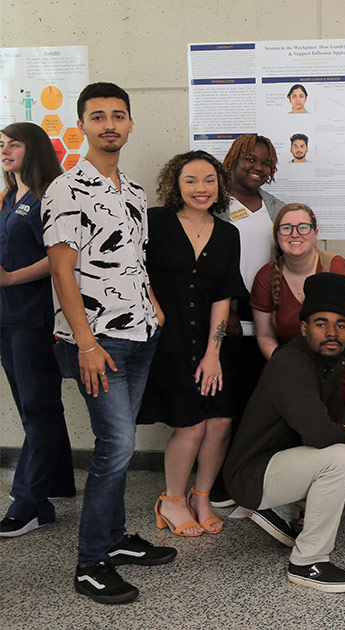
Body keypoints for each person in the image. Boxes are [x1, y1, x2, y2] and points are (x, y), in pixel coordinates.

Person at [43, 82, 175, 604]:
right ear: (81, 126)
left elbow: (131, 259)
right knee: (116, 446)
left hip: (139, 332)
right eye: (98, 117)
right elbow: (61, 268)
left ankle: (116, 538)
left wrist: (152, 302)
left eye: (118, 115)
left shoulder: (135, 191)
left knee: (117, 446)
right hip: (97, 341)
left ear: (130, 123)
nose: (109, 125)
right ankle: (91, 562)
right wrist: (85, 342)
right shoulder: (67, 188)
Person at [224, 273, 345, 592]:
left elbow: (324, 425)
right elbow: (321, 435)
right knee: (339, 458)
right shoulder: (290, 362)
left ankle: (283, 511)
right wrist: (343, 433)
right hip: (253, 475)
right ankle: (308, 561)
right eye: (321, 324)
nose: (332, 333)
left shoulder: (330, 361)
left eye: (341, 325)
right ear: (305, 327)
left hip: (284, 459)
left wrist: (340, 434)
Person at [137, 151, 244, 537]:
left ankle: (202, 497)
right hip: (168, 342)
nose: (201, 188)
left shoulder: (228, 233)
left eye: (209, 181)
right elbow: (134, 267)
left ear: (220, 187)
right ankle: (172, 499)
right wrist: (155, 310)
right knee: (191, 424)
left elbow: (222, 296)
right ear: (175, 185)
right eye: (191, 181)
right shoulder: (155, 221)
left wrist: (214, 353)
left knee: (220, 422)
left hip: (210, 346)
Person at [0, 122, 72, 538]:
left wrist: (10, 280)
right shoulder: (11, 195)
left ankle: (29, 503)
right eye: (2, 145)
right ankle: (55, 484)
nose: (5, 151)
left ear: (35, 149)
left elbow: (60, 257)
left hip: (36, 318)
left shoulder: (51, 196)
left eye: (14, 144)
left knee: (38, 409)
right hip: (9, 319)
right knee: (34, 407)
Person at [212, 134, 285, 508]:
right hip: (228, 317)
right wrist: (229, 312)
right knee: (228, 405)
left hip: (267, 319)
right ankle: (220, 483)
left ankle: (251, 479)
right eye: (249, 160)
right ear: (232, 160)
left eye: (265, 162)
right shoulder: (212, 203)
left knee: (260, 406)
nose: (257, 167)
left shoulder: (277, 208)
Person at [250, 203, 345, 405]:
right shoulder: (266, 278)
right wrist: (289, 366)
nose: (295, 234)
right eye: (286, 228)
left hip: (333, 367)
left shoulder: (337, 268)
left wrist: (316, 363)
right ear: (277, 235)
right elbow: (265, 336)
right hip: (287, 370)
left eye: (303, 227)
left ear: (315, 233)